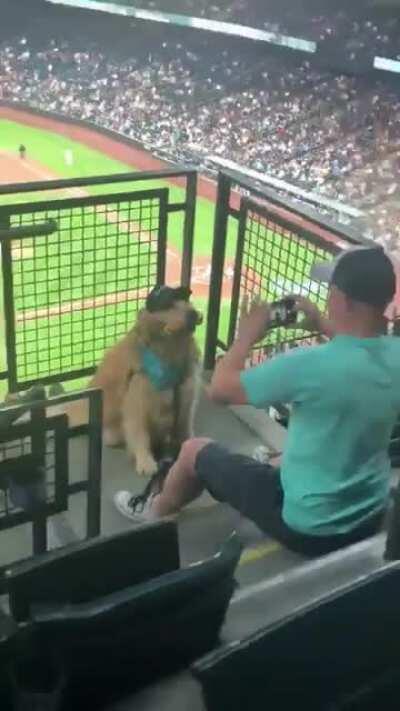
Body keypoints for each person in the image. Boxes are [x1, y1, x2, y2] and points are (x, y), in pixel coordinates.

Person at [114, 246, 400, 556]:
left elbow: (220, 390)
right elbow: (361, 350)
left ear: (341, 299)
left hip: (309, 527)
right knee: (280, 455)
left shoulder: (307, 364)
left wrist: (246, 335)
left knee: (193, 450)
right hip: (371, 512)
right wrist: (320, 323)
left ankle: (153, 512)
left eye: (331, 290)